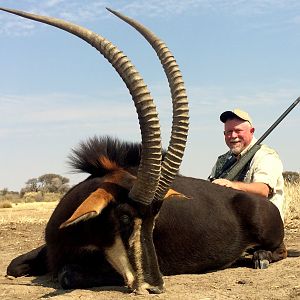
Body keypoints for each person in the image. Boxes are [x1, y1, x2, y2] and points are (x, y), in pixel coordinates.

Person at [209, 108, 285, 221]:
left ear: (252, 131)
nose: (233, 136)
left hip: (262, 226)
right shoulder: (222, 160)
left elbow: (262, 190)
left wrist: (232, 185)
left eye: (238, 131)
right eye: (229, 132)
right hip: (232, 223)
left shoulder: (266, 155)